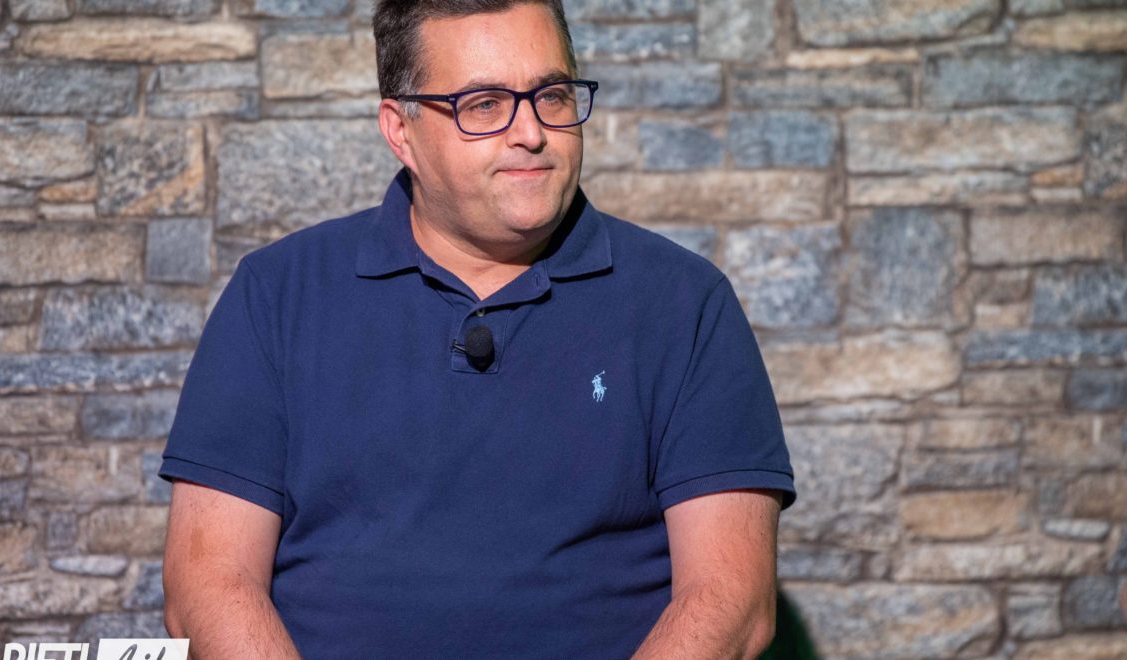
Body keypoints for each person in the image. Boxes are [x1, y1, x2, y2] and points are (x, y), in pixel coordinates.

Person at [158, 1, 795, 658]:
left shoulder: (685, 304)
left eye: (551, 95)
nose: (532, 133)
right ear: (400, 130)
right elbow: (208, 582)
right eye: (484, 105)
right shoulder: (277, 294)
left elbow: (730, 600)